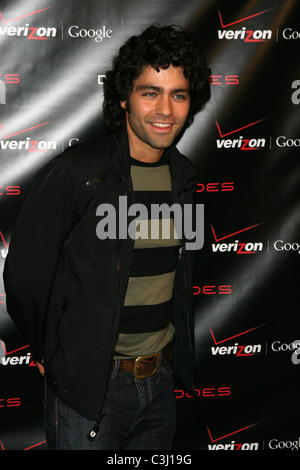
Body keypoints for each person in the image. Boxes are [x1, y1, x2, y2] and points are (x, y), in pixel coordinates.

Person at [3, 24, 211, 450]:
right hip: (90, 388)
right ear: (124, 98)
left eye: (179, 94)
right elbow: (26, 274)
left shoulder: (184, 179)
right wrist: (49, 348)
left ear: (192, 103)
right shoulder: (78, 174)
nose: (165, 109)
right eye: (150, 92)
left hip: (160, 386)